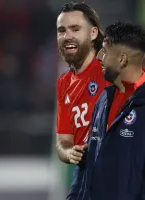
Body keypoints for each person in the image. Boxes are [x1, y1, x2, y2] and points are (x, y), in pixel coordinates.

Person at [77, 21, 145, 200]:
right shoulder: (104, 99)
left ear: (122, 59)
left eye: (105, 51)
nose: (99, 56)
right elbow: (87, 161)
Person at [55, 1, 108, 198]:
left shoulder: (111, 68)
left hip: (116, 171)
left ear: (93, 33)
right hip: (84, 175)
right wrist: (69, 153)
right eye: (62, 30)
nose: (67, 36)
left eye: (75, 29)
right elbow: (63, 141)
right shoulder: (64, 84)